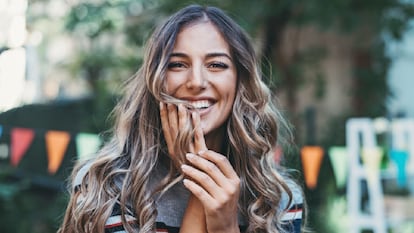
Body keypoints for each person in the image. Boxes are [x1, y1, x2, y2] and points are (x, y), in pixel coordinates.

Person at [58, 4, 305, 233]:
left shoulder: (280, 199)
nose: (196, 82)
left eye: (216, 65)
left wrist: (226, 226)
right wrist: (199, 185)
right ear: (155, 80)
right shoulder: (105, 188)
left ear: (241, 80)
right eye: (177, 64)